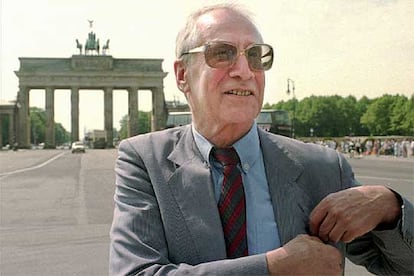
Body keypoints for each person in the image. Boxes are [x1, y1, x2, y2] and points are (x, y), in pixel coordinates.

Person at [109, 4, 413, 275]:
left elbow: (402, 266)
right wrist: (274, 267)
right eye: (222, 53)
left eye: (256, 56)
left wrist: (391, 209)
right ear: (182, 75)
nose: (244, 71)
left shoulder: (321, 167)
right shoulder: (145, 160)